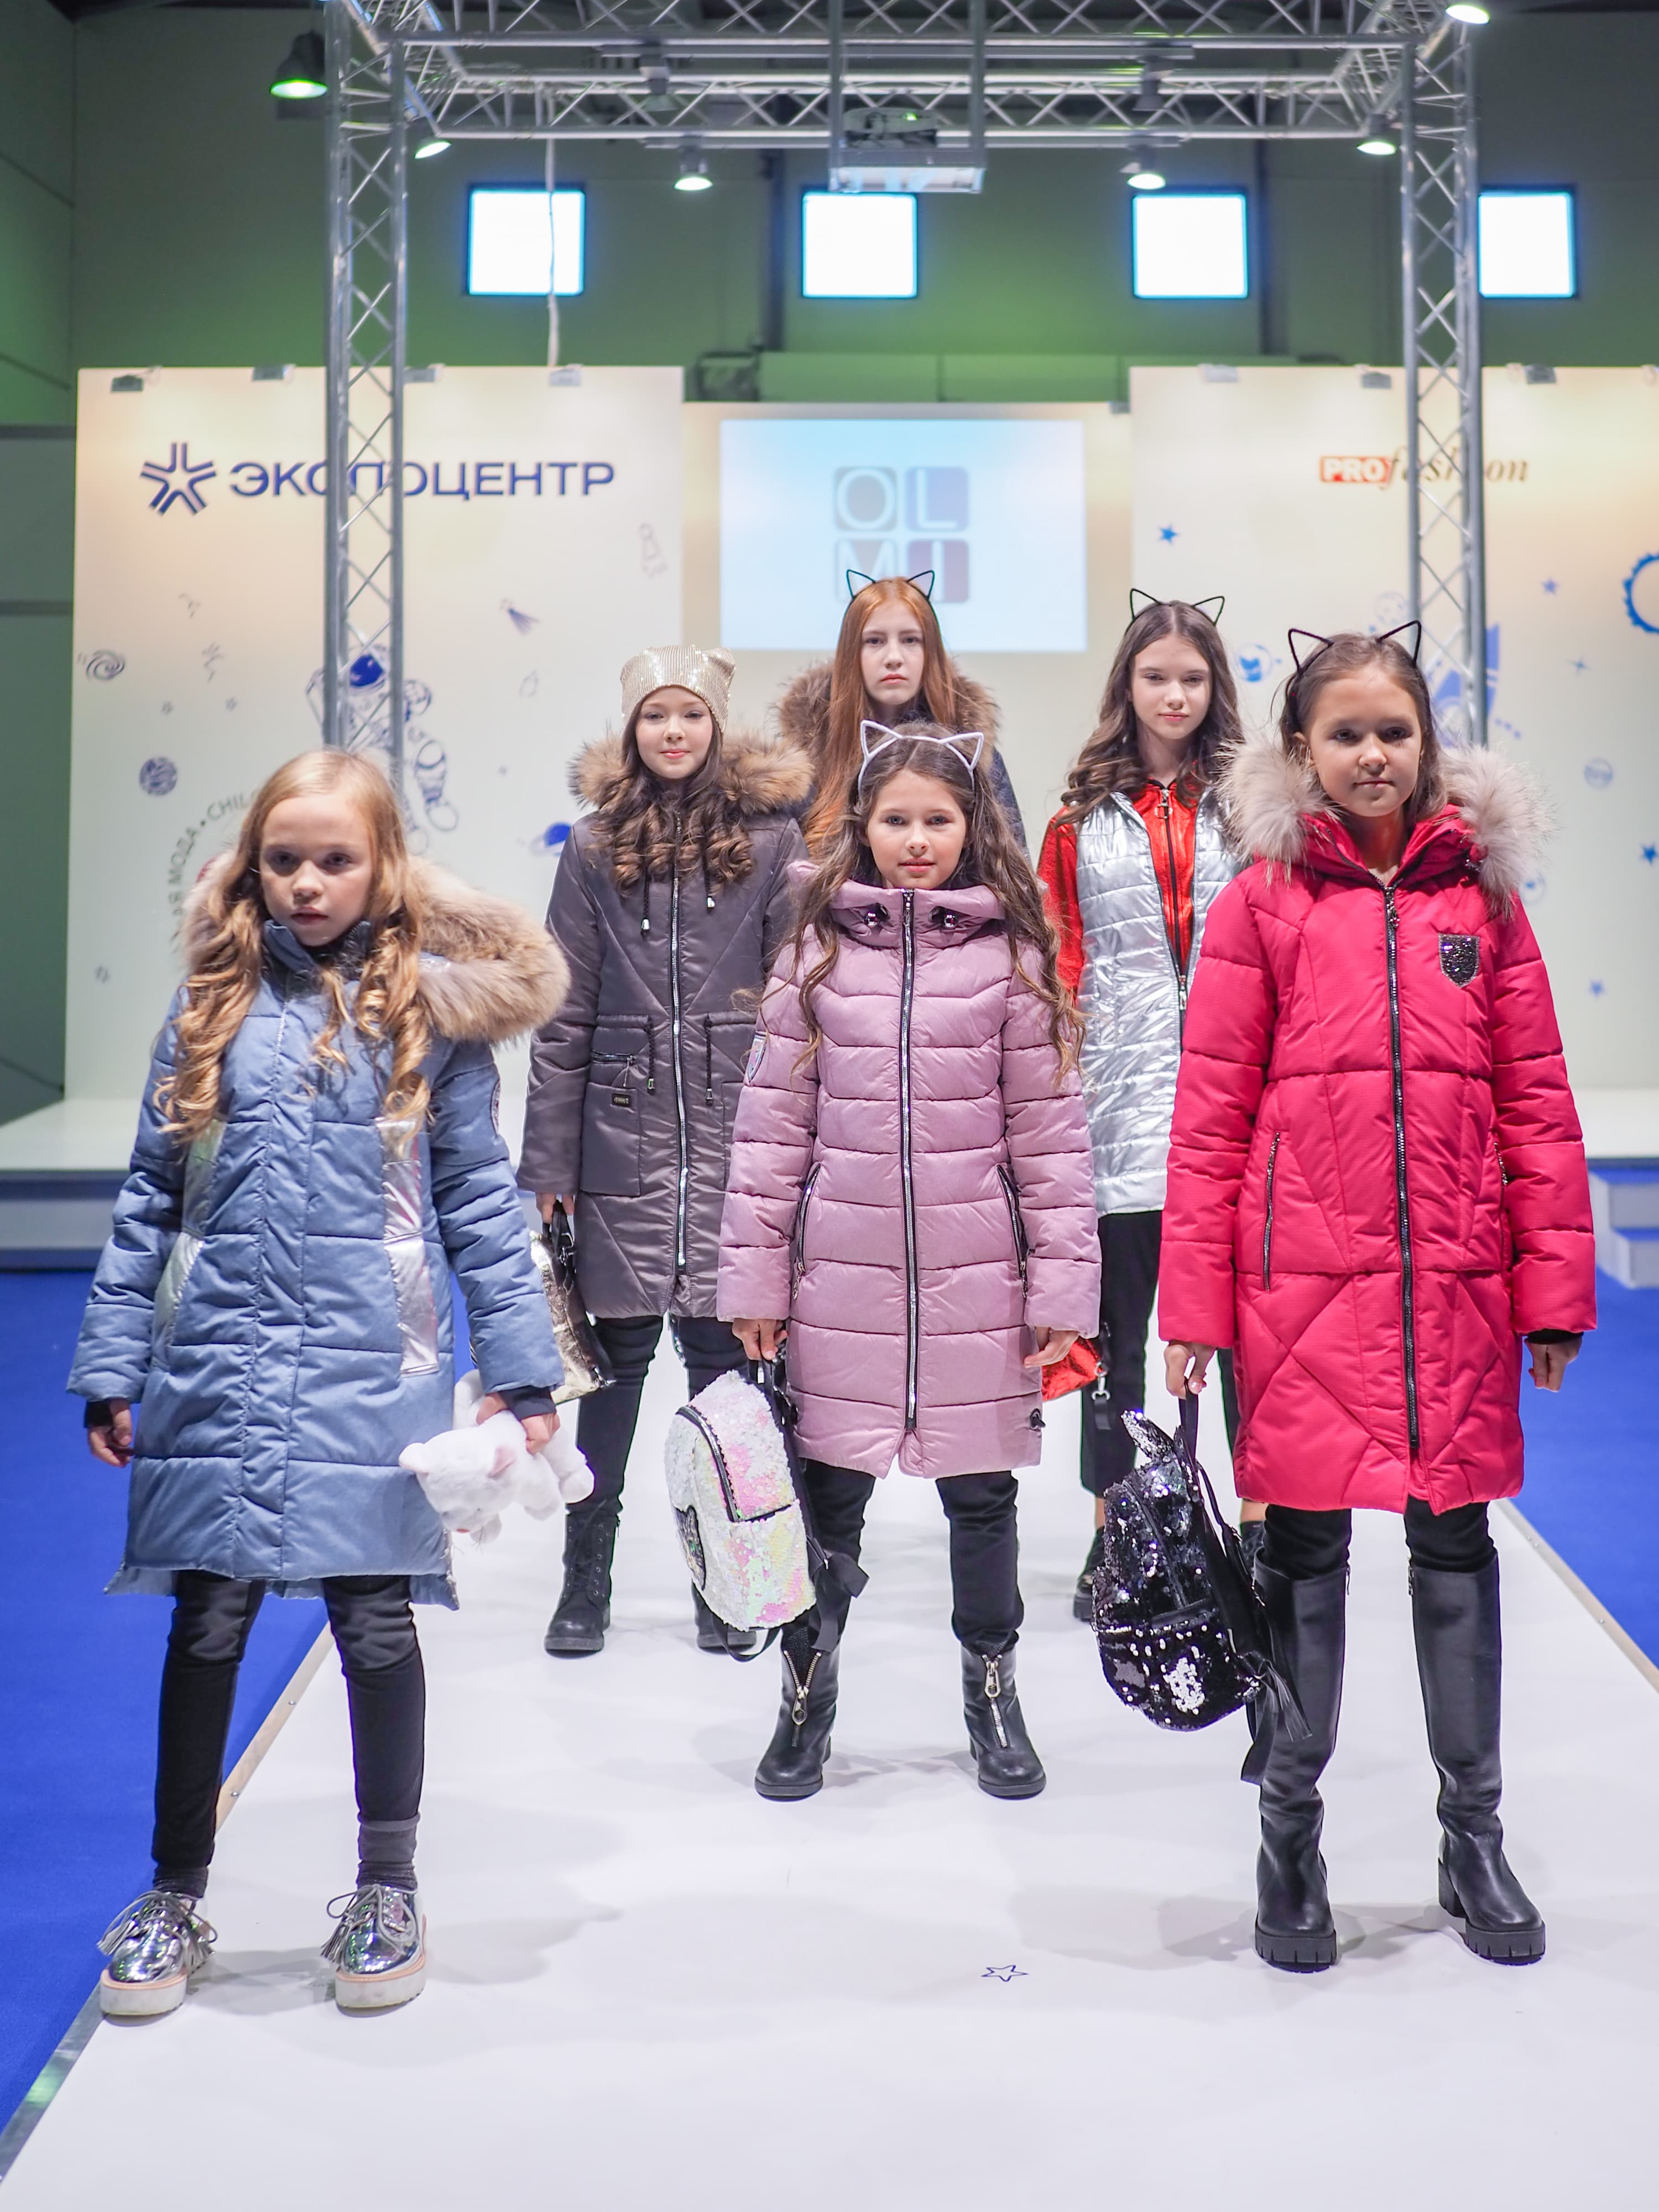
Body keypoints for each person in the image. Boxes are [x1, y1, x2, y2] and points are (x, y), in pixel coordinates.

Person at [72, 750, 567, 2018]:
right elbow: (147, 1198)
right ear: (253, 864)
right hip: (217, 1363)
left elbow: (479, 1201)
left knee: (376, 1621)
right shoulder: (210, 1004)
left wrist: (520, 1371)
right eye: (283, 857)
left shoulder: (432, 1015)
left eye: (333, 858)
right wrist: (113, 1361)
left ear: (383, 866)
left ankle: (387, 1885)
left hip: (369, 1370)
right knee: (207, 1623)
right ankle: (175, 1890)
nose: (306, 880)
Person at [1159, 627, 1595, 1974]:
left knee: (1455, 1542)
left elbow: (1534, 1099)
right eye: (1343, 733)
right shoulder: (1261, 901)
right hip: (1296, 1288)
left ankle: (1474, 1837)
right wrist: (1192, 1307)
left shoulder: (1483, 903)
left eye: (1391, 731)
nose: (1370, 754)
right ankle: (1288, 1838)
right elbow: (1210, 1114)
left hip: (1453, 1283)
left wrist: (1552, 1290)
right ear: (1301, 749)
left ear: (1426, 744)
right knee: (1301, 1554)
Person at [719, 722, 1099, 1803]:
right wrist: (755, 1283)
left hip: (979, 1289)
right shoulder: (815, 953)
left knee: (982, 1503)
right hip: (837, 1285)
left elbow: (1051, 1141)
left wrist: (1060, 1289)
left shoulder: (1011, 959)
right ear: (863, 827)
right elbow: (770, 1133)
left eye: (940, 819)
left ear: (974, 827)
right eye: (898, 819)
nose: (919, 839)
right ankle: (806, 1696)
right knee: (827, 1505)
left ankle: (994, 1691)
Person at [518, 646, 811, 1657]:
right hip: (621, 1138)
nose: (673, 731)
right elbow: (562, 1013)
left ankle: (725, 1583)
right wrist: (549, 1162)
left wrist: (795, 1151)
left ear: (718, 725)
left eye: (690, 714)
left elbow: (797, 1001)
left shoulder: (775, 841)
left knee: (725, 1381)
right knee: (614, 1373)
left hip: (737, 1138)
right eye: (655, 715)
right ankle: (585, 1579)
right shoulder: (594, 846)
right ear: (631, 729)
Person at [1039, 594, 1255, 1620]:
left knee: (1238, 1341)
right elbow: (1057, 973)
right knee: (1115, 1342)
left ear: (1216, 688)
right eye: (1155, 676)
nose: (1174, 695)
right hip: (1114, 1110)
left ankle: (1248, 1534)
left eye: (1192, 678)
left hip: (1233, 1106)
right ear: (1125, 685)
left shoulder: (1255, 810)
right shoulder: (1075, 823)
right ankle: (1118, 1538)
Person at [778, 572, 1027, 853]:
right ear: (851, 654)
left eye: (910, 640)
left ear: (931, 652)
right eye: (874, 641)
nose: (894, 658)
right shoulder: (808, 761)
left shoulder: (973, 754)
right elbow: (788, 871)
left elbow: (1010, 865)